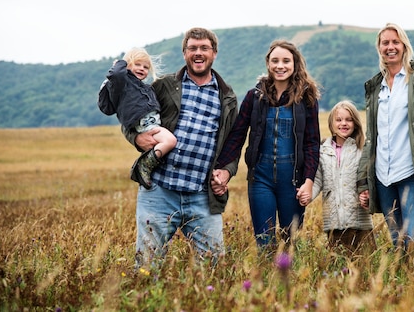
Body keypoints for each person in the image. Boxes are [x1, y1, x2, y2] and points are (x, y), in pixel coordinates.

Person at [122, 27, 239, 267]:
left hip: (202, 196)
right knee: (147, 266)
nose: (198, 53)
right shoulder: (164, 86)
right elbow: (130, 113)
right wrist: (136, 138)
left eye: (204, 48)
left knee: (213, 268)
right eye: (192, 48)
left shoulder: (227, 96)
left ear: (214, 53)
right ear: (184, 53)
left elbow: (233, 143)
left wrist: (227, 171)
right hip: (159, 191)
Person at [357, 22, 414, 263]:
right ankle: (405, 295)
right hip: (383, 176)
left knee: (413, 242)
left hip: (411, 172)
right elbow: (371, 137)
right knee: (397, 243)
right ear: (379, 48)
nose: (390, 47)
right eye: (385, 43)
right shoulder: (375, 85)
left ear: (404, 45)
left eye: (395, 42)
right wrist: (363, 181)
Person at [214, 40, 320, 249]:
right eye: (275, 61)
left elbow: (312, 143)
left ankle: (289, 281)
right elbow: (237, 134)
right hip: (260, 178)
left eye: (286, 61)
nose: (280, 66)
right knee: (264, 241)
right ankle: (265, 280)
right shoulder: (255, 96)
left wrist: (308, 180)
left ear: (295, 64)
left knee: (291, 241)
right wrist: (223, 168)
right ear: (268, 64)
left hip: (293, 179)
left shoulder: (306, 98)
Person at [98, 48, 177, 189]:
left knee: (163, 147)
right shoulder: (123, 84)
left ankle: (149, 166)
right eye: (137, 64)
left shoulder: (144, 87)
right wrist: (120, 63)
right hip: (145, 125)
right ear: (127, 66)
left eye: (146, 67)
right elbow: (115, 75)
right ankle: (144, 165)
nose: (142, 69)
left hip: (152, 124)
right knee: (170, 141)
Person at [310, 100, 375, 254]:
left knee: (365, 269)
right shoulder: (322, 151)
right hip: (334, 224)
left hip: (360, 223)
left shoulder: (362, 150)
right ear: (331, 123)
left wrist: (369, 196)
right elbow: (318, 180)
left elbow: (371, 180)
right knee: (339, 271)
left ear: (355, 123)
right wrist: (307, 195)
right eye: (338, 120)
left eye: (349, 119)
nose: (343, 124)